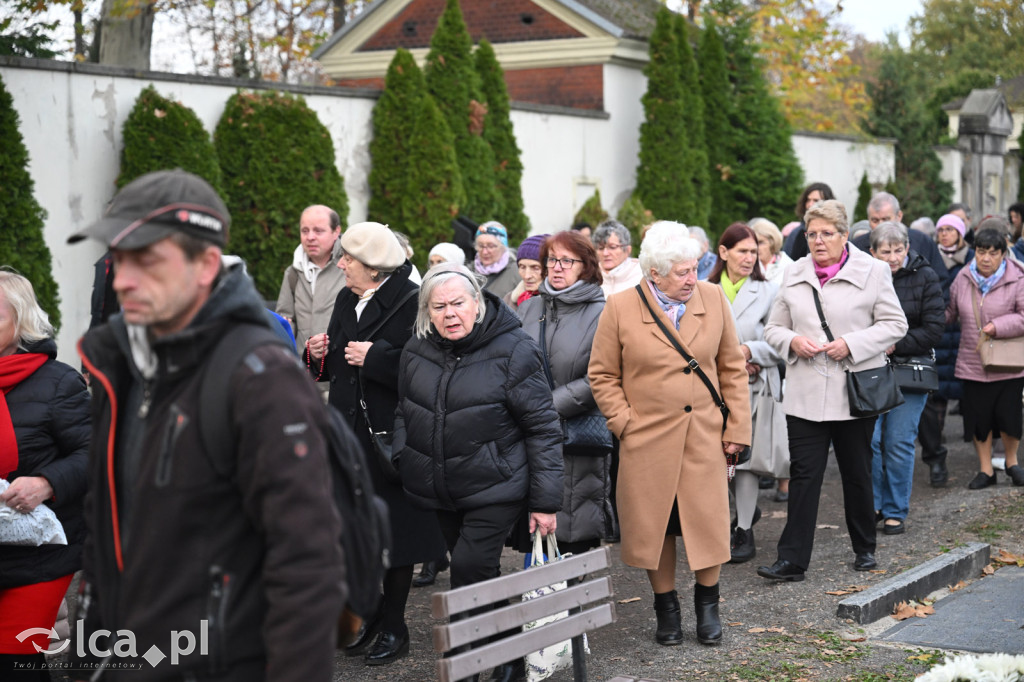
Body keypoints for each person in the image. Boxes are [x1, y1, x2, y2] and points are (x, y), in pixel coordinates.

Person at [68, 169, 344, 681]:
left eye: (147, 260)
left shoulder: (260, 376)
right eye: (118, 260)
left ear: (206, 264)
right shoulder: (117, 366)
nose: (121, 278)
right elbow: (105, 531)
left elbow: (307, 566)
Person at [393, 263, 563, 682]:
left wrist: (544, 501)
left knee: (469, 568)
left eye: (457, 303)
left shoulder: (515, 350)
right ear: (426, 312)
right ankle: (501, 659)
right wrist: (402, 455)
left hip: (497, 484)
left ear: (477, 304)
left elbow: (543, 427)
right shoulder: (416, 349)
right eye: (439, 306)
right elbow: (404, 409)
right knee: (478, 576)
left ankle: (476, 662)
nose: (450, 313)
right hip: (440, 487)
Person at [589, 222, 751, 646]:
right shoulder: (621, 307)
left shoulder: (713, 298)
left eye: (695, 268)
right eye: (682, 272)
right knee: (656, 526)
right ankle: (666, 608)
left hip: (704, 436)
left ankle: (708, 605)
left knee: (707, 522)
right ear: (654, 273)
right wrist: (624, 423)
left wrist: (736, 428)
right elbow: (602, 374)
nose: (692, 279)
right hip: (647, 440)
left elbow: (732, 368)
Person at [306, 221, 445, 665]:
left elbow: (429, 368)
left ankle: (396, 625)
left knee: (396, 536)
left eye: (348, 259)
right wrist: (317, 354)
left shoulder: (412, 302)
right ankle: (371, 613)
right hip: (346, 437)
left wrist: (378, 358)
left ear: (374, 269)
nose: (340, 263)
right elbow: (335, 366)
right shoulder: (349, 296)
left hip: (391, 439)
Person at [758, 200, 907, 582]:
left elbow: (894, 324)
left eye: (827, 233)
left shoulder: (873, 270)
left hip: (854, 390)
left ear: (844, 235)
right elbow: (773, 328)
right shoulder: (794, 272)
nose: (818, 241)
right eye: (812, 234)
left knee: (856, 471)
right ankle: (792, 560)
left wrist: (852, 344)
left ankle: (865, 548)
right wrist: (792, 341)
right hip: (806, 393)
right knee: (805, 475)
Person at [0, 273, 89, 681]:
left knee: (15, 663)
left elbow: (97, 453)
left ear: (21, 321)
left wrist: (47, 482)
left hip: (38, 554)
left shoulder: (60, 383)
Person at [519, 231, 610, 556]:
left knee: (575, 527)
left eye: (566, 261)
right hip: (531, 434)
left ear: (586, 266)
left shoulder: (602, 311)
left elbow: (602, 376)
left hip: (576, 434)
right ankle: (545, 597)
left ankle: (576, 599)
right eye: (552, 260)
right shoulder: (529, 308)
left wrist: (547, 405)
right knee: (532, 530)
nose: (557, 268)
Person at [707, 224, 782, 564]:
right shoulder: (702, 290)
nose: (750, 258)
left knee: (745, 461)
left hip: (754, 388)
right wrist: (730, 359)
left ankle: (744, 530)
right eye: (742, 251)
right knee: (714, 460)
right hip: (711, 389)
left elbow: (781, 341)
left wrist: (749, 352)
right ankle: (732, 516)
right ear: (723, 253)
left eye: (754, 251)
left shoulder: (770, 292)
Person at [868, 223, 944, 535]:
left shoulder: (925, 275)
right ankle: (871, 504)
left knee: (898, 441)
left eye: (898, 250)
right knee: (869, 441)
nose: (893, 257)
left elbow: (934, 327)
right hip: (870, 367)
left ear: (907, 248)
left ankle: (895, 509)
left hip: (909, 369)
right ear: (873, 252)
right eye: (885, 251)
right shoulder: (864, 276)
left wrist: (896, 343)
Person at [944, 228, 1024, 489]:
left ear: (1003, 254)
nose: (986, 258)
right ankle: (986, 470)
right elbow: (949, 313)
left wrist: (996, 326)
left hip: (1008, 364)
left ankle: (1012, 464)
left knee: (1009, 418)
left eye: (993, 253)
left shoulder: (1018, 278)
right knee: (979, 420)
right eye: (981, 251)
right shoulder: (963, 278)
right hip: (973, 361)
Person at [923, 213, 975, 486]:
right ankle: (937, 444)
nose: (944, 234)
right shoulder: (932, 259)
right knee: (939, 390)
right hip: (941, 333)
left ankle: (974, 441)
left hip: (964, 331)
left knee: (967, 388)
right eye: (940, 229)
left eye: (949, 230)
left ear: (960, 233)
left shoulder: (972, 259)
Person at [275, 204, 346, 353]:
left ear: (336, 231)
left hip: (340, 367)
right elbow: (285, 318)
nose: (310, 237)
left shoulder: (349, 267)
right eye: (304, 231)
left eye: (318, 231)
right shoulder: (293, 272)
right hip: (303, 368)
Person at [852, 193, 947, 282]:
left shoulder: (922, 242)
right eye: (875, 220)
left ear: (899, 216)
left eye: (886, 219)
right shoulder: (856, 247)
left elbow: (940, 281)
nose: (880, 225)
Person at [782, 182, 835, 261]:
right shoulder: (797, 233)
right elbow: (786, 262)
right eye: (808, 200)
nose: (810, 204)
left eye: (816, 200)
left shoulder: (837, 231)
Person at [592, 220, 643, 296]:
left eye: (612, 247)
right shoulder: (590, 276)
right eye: (600, 248)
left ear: (627, 250)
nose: (605, 253)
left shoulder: (641, 277)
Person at [473, 221, 521, 300]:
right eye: (481, 246)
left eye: (491, 246)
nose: (484, 252)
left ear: (503, 247)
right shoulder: (470, 270)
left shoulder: (517, 272)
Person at [503, 233, 548, 310]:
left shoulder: (560, 305)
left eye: (535, 268)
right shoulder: (508, 301)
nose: (526, 276)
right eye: (522, 267)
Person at [749, 217, 793, 286]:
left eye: (761, 242)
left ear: (773, 242)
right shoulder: (748, 266)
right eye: (753, 243)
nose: (756, 247)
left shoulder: (790, 268)